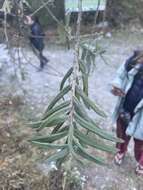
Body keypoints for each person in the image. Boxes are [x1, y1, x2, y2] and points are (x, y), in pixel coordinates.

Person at [111, 50, 143, 176]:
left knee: (141, 143)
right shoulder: (134, 61)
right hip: (126, 108)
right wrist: (116, 85)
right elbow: (120, 75)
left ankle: (141, 161)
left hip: (141, 118)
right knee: (121, 135)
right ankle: (121, 151)